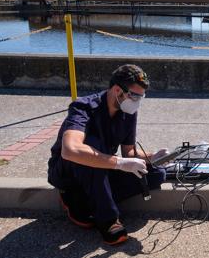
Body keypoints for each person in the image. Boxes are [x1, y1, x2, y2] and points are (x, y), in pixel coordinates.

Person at [47, 64, 170, 245]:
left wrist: (154, 157)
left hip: (101, 169)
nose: (137, 101)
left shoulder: (127, 112)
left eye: (141, 97)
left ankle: (83, 203)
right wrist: (120, 163)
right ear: (117, 89)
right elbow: (71, 150)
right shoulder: (84, 108)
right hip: (68, 172)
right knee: (92, 146)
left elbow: (129, 152)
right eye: (134, 95)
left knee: (156, 174)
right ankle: (108, 220)